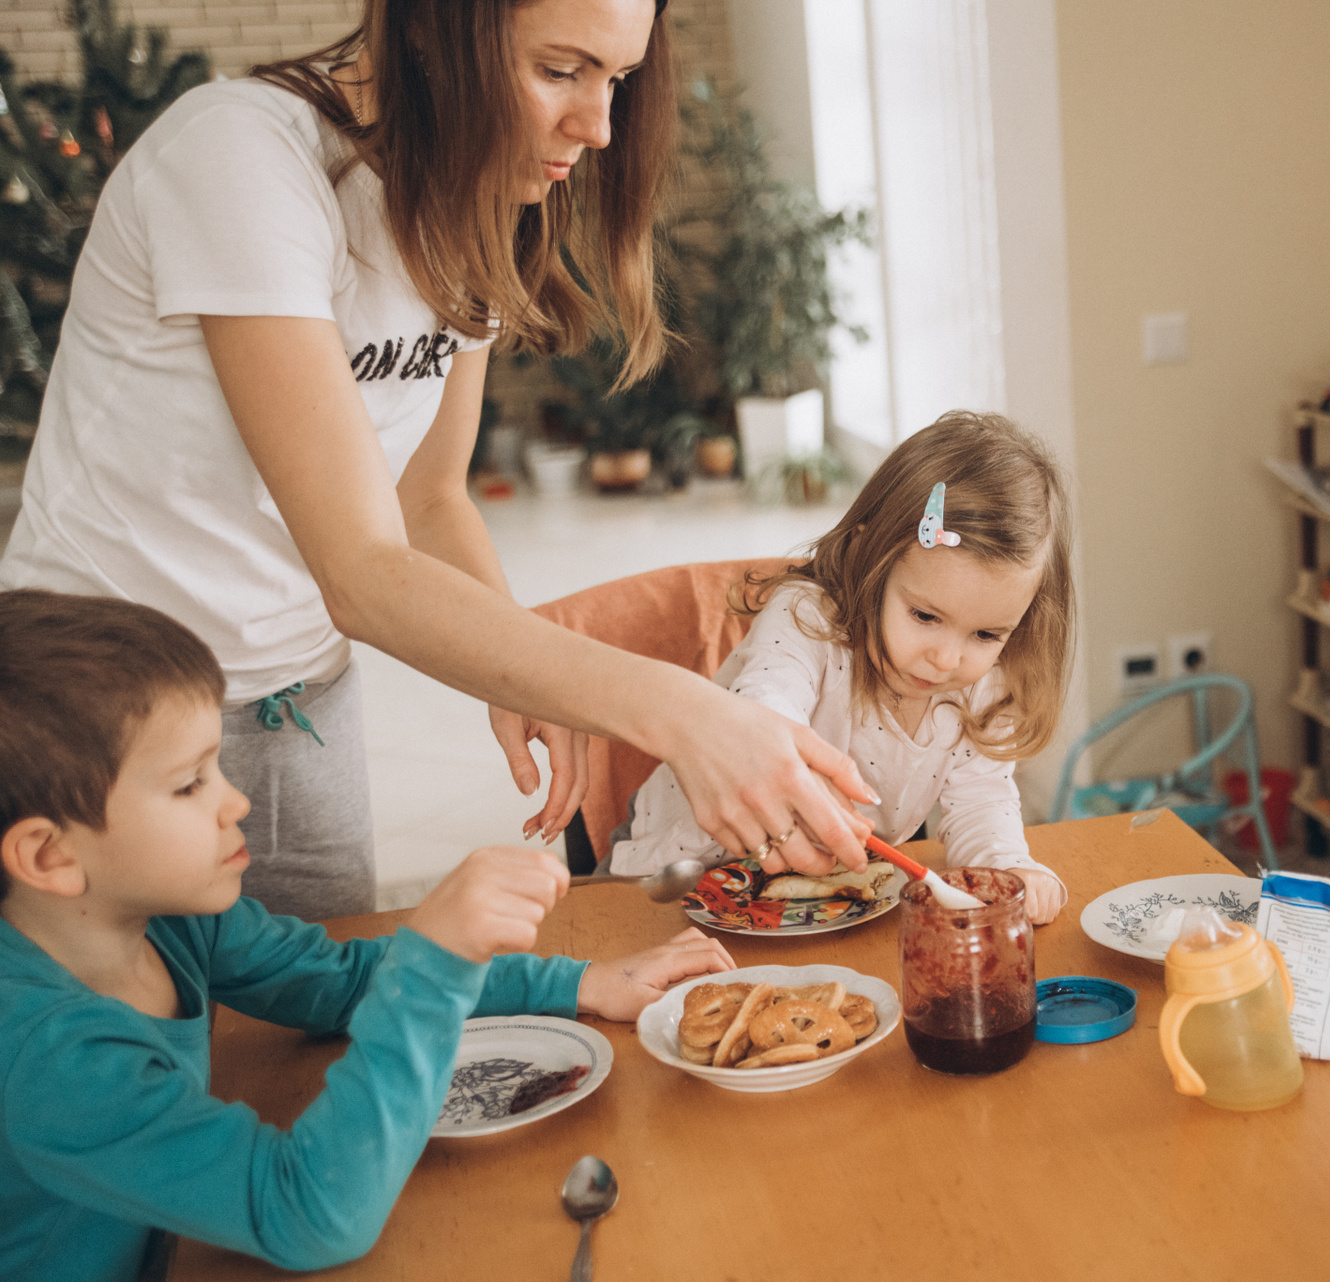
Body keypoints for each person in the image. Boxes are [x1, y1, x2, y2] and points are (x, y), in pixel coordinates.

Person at [0, 0, 873, 922]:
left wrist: (540, 684)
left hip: (300, 701)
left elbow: (428, 498)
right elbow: (362, 571)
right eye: (559, 71)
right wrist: (684, 712)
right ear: (430, 24)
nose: (600, 127)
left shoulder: (471, 197)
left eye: (617, 78)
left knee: (317, 999)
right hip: (101, 712)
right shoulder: (240, 156)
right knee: (124, 1010)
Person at [0, 589, 737, 1281]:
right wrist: (434, 962)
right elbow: (309, 1215)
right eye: (190, 784)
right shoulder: (47, 1056)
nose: (237, 802)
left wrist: (579, 983)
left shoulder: (171, 919)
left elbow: (340, 982)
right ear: (49, 856)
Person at [607, 412, 1074, 925]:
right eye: (924, 616)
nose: (946, 660)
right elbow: (763, 709)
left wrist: (1008, 870)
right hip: (672, 871)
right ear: (867, 555)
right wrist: (798, 779)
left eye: (986, 635)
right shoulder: (807, 618)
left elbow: (982, 803)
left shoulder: (986, 685)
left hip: (808, 904)